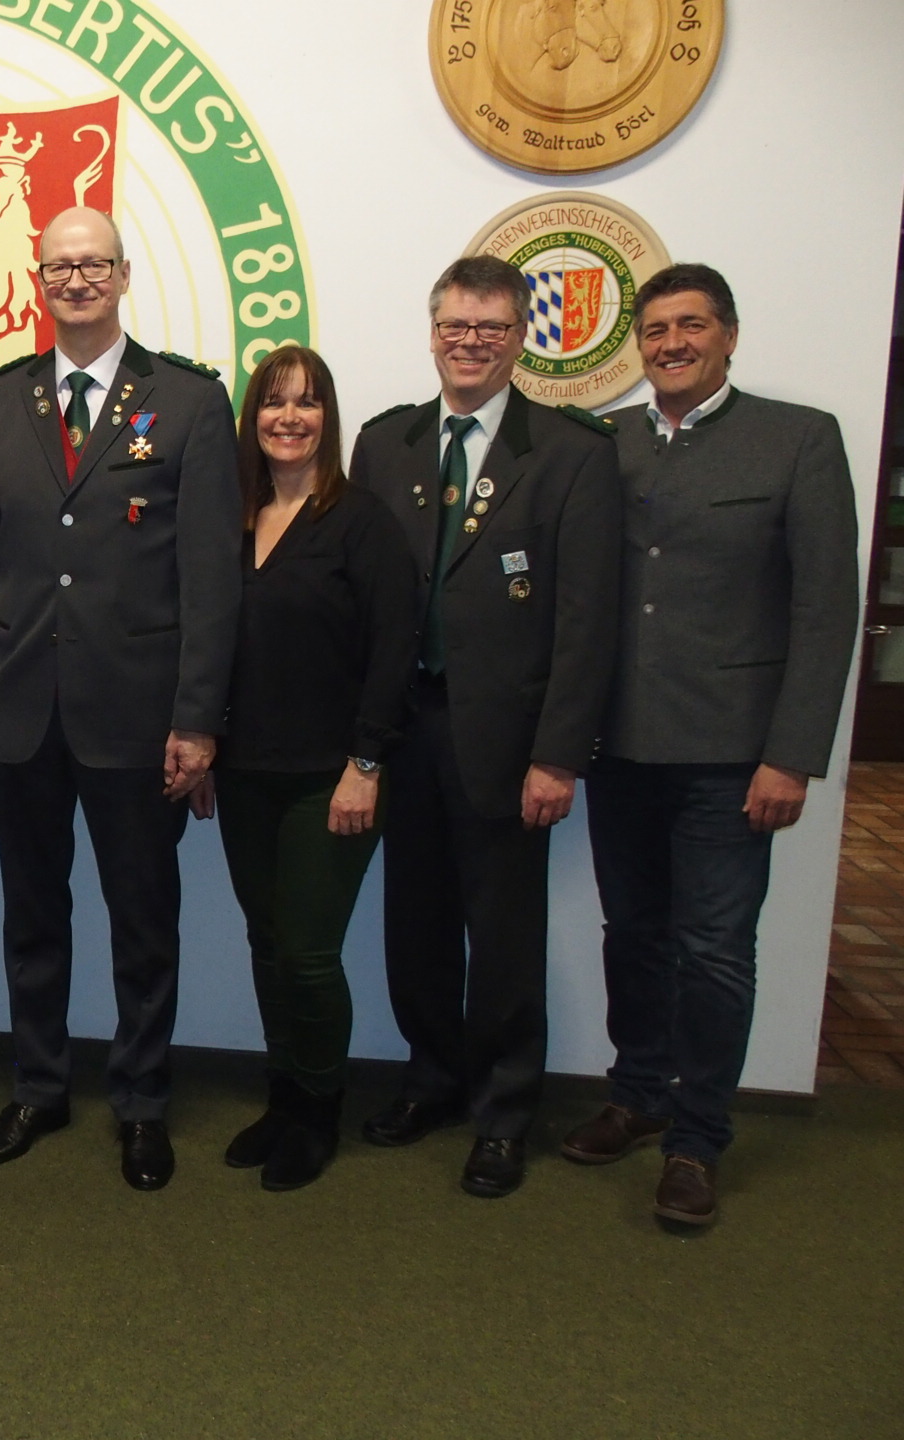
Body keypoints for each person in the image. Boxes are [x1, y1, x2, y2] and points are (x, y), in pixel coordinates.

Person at [0, 206, 242, 1192]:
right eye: (59, 266)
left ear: (123, 276)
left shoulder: (191, 403)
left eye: (94, 264)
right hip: (22, 710)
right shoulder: (0, 401)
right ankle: (38, 1085)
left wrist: (198, 720)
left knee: (142, 918)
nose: (76, 280)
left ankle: (142, 1102)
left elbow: (211, 580)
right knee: (32, 913)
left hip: (139, 716)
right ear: (38, 281)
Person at [566, 263, 859, 1226]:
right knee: (633, 937)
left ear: (729, 335)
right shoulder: (605, 446)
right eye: (655, 330)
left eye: (692, 326)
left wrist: (794, 754)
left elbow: (826, 611)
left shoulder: (797, 440)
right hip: (621, 748)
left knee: (717, 951)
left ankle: (697, 1139)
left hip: (735, 757)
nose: (673, 343)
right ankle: (638, 1093)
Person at [350, 255, 620, 1199]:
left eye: (490, 329)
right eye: (455, 327)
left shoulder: (573, 454)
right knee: (413, 921)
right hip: (405, 729)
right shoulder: (386, 446)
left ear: (519, 338)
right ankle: (432, 1080)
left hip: (509, 743)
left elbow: (588, 622)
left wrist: (558, 756)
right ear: (432, 334)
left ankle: (504, 1113)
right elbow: (369, 602)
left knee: (502, 937)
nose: (469, 344)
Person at [205, 346, 417, 1191]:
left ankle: (320, 1108)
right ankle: (283, 1093)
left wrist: (365, 764)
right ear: (252, 417)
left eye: (308, 402)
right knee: (266, 943)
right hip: (246, 772)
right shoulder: (231, 515)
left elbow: (393, 653)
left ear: (330, 418)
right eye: (273, 402)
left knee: (310, 954)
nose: (289, 417)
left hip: (331, 778)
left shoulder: (361, 520)